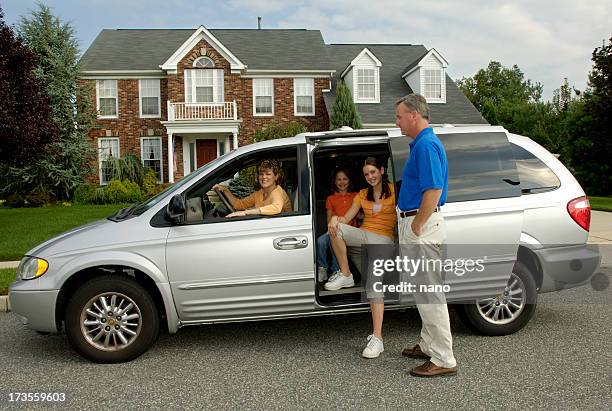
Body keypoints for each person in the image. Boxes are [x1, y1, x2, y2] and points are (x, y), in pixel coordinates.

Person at [394, 93, 457, 377]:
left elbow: (433, 191)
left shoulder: (427, 145)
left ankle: (443, 359)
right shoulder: (422, 144)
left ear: (414, 115)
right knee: (423, 292)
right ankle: (429, 344)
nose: (397, 122)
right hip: (418, 225)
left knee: (430, 294)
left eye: (399, 116)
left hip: (422, 228)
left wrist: (417, 225)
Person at [325, 157, 397, 359]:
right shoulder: (363, 194)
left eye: (373, 172)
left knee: (374, 285)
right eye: (367, 174)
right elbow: (347, 219)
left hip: (383, 240)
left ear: (382, 170)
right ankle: (345, 273)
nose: (370, 176)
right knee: (335, 229)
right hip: (363, 238)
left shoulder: (394, 191)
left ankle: (377, 339)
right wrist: (334, 218)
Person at [317, 168, 359, 281]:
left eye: (345, 179)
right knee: (321, 241)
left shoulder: (356, 196)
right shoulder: (331, 198)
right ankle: (323, 268)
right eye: (339, 179)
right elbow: (329, 218)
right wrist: (331, 227)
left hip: (350, 231)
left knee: (336, 239)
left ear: (349, 181)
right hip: (334, 227)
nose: (342, 182)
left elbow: (360, 214)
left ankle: (338, 270)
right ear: (335, 182)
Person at [213, 159, 292, 218]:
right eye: (261, 174)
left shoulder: (277, 192)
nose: (264, 177)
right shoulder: (259, 193)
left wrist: (245, 213)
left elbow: (276, 208)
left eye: (268, 174)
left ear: (276, 176)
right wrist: (226, 190)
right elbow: (238, 204)